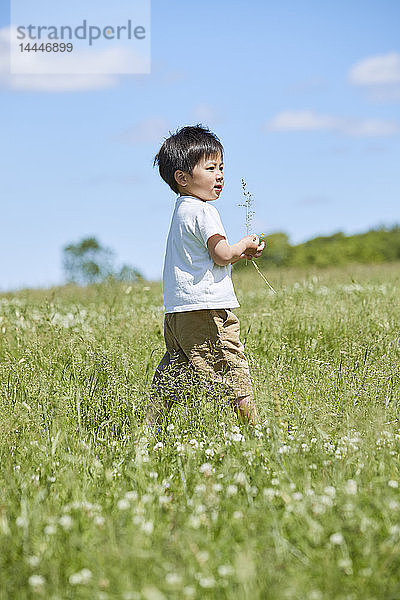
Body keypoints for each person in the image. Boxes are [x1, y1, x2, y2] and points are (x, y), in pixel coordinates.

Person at [145, 124, 265, 428]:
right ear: (182, 178)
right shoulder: (204, 211)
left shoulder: (181, 210)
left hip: (178, 311)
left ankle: (148, 432)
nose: (220, 175)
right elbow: (222, 254)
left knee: (174, 372)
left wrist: (237, 252)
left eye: (221, 167)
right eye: (210, 168)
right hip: (206, 308)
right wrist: (243, 247)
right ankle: (254, 434)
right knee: (230, 369)